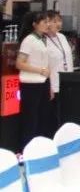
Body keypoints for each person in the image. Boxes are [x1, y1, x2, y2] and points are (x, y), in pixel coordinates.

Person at [17, 12, 52, 149]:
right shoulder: (29, 40)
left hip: (43, 82)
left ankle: (38, 148)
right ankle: (26, 149)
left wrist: (48, 83)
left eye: (48, 21)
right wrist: (39, 70)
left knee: (42, 118)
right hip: (30, 84)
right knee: (30, 119)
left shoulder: (43, 39)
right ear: (34, 24)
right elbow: (20, 63)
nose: (47, 24)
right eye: (44, 22)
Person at [43, 10, 73, 133]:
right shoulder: (43, 40)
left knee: (66, 116)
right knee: (53, 118)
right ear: (47, 23)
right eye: (54, 21)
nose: (58, 24)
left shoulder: (62, 37)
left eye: (59, 21)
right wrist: (48, 85)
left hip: (67, 81)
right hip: (53, 84)